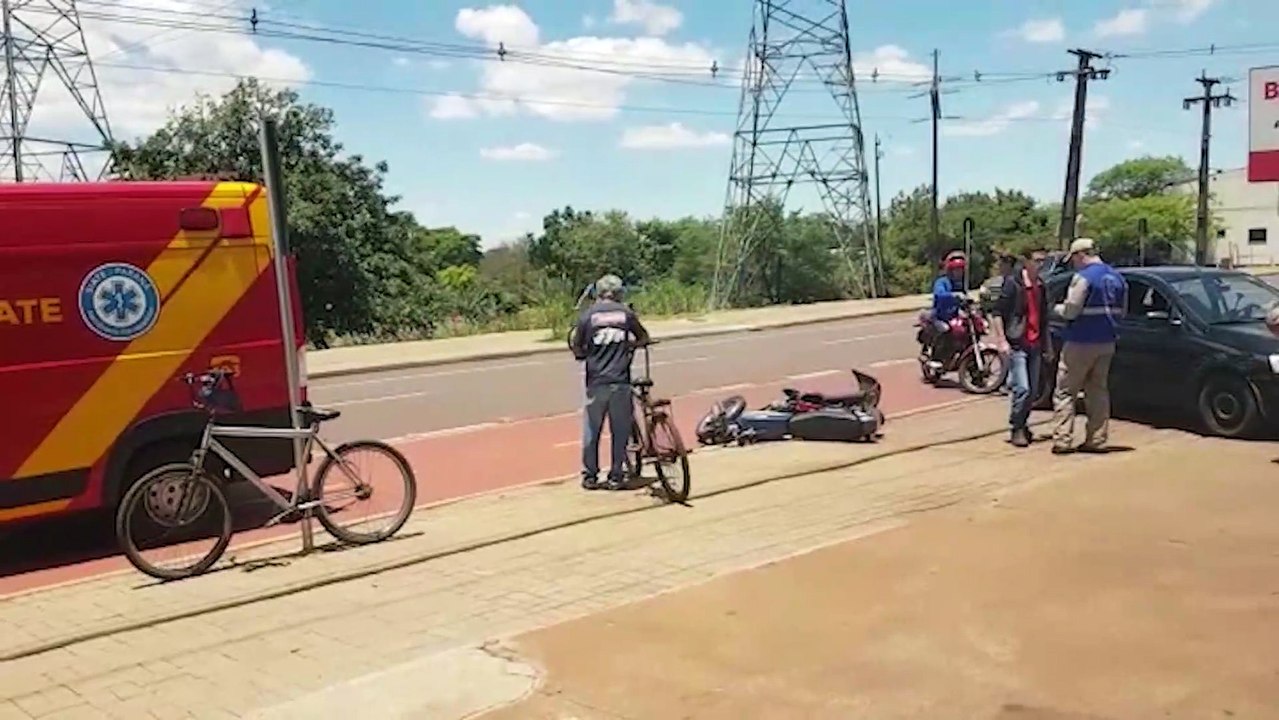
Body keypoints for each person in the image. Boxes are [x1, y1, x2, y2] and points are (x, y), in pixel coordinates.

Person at [570, 274, 650, 490]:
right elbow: (643, 337)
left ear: (598, 292)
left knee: (591, 430)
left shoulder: (588, 316)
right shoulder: (626, 314)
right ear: (619, 293)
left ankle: (590, 476)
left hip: (596, 381)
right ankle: (616, 475)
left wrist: (585, 353)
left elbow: (577, 347)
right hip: (620, 380)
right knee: (620, 431)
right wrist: (630, 346)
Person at [1050, 238, 1127, 454]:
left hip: (1080, 341)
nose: (1073, 264)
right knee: (1098, 391)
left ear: (1080, 255)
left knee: (1065, 391)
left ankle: (1063, 440)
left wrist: (1057, 310)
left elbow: (1072, 309)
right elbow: (1123, 311)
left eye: (1073, 259)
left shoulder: (1083, 277)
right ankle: (1097, 439)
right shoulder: (1117, 277)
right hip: (1107, 341)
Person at [993, 247, 1049, 448]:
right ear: (1026, 261)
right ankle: (1016, 427)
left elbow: (1044, 318)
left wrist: (1047, 345)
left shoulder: (1041, 285)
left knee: (1033, 391)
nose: (1040, 264)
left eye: (1043, 260)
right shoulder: (1013, 284)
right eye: (1037, 260)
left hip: (1035, 343)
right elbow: (997, 312)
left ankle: (1023, 423)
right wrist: (1002, 340)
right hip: (1017, 342)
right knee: (1022, 388)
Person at [928, 254, 968, 368]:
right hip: (940, 316)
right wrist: (953, 295)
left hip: (954, 316)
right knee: (945, 330)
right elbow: (939, 294)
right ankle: (936, 357)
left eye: (960, 270)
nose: (959, 273)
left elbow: (964, 299)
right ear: (950, 270)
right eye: (956, 270)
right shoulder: (942, 282)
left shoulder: (960, 284)